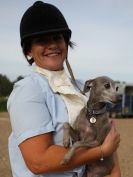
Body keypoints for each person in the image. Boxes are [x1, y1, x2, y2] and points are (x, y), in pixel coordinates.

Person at [7, 1, 121, 177]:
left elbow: (109, 140)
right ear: (28, 50)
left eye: (58, 38)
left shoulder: (85, 87)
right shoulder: (28, 91)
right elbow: (39, 161)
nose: (52, 45)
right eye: (42, 40)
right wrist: (101, 151)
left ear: (66, 43)